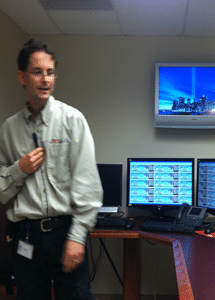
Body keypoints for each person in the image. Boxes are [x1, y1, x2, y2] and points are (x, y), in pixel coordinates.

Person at [0, 39, 103, 299]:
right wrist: (19, 169)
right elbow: (2, 192)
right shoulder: (9, 130)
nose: (45, 79)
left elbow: (88, 186)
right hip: (26, 238)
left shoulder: (72, 120)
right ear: (22, 77)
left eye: (50, 72)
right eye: (37, 72)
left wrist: (78, 238)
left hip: (65, 234)